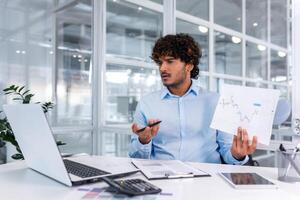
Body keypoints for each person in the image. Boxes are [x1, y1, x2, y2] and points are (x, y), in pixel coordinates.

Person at [129, 33, 257, 165]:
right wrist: (143, 141)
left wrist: (237, 155)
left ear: (189, 65)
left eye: (170, 61)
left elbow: (227, 151)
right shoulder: (147, 103)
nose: (162, 68)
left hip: (207, 180)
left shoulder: (215, 101)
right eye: (160, 63)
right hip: (161, 180)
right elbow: (135, 156)